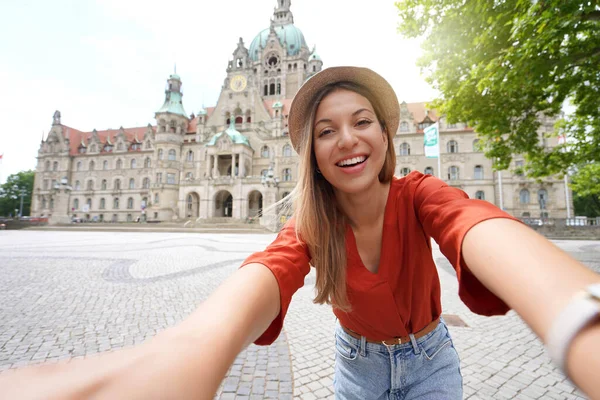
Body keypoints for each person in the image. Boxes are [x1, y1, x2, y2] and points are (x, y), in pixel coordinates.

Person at [0, 67, 598, 400]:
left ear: (389, 136)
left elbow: (479, 226)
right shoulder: (311, 222)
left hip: (432, 362)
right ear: (309, 150)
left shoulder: (420, 194)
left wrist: (578, 316)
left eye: (363, 122)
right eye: (326, 130)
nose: (348, 140)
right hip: (355, 368)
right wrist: (186, 350)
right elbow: (269, 268)